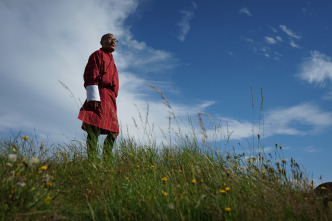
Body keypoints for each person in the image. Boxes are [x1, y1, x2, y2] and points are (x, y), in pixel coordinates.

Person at [78, 33, 119, 161]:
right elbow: (91, 74)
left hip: (110, 98)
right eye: (109, 39)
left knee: (114, 130)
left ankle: (107, 157)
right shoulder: (97, 54)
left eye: (115, 40)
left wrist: (114, 96)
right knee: (94, 126)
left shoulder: (111, 59)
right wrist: (93, 97)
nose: (113, 41)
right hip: (99, 95)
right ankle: (92, 159)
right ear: (101, 42)